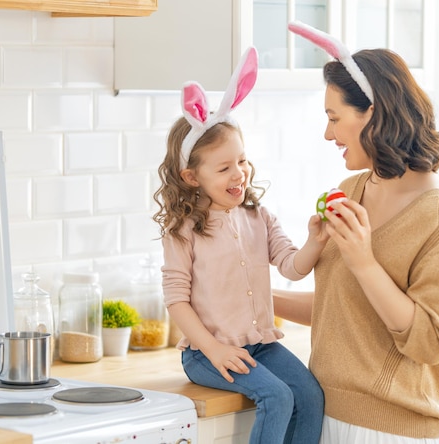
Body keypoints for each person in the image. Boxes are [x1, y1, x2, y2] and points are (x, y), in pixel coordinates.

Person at [273, 22, 439, 444]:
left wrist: (364, 261)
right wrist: (255, 297)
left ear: (374, 115)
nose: (328, 133)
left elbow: (432, 341)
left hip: (391, 431)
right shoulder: (350, 192)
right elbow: (341, 307)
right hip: (322, 412)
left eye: (334, 118)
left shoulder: (438, 212)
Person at [154, 47, 325, 444]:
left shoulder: (258, 217)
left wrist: (315, 241)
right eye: (225, 167)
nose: (240, 174)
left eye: (242, 161)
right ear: (192, 177)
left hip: (260, 347)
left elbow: (292, 266)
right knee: (277, 396)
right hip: (204, 354)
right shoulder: (183, 231)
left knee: (311, 396)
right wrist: (212, 348)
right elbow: (176, 300)